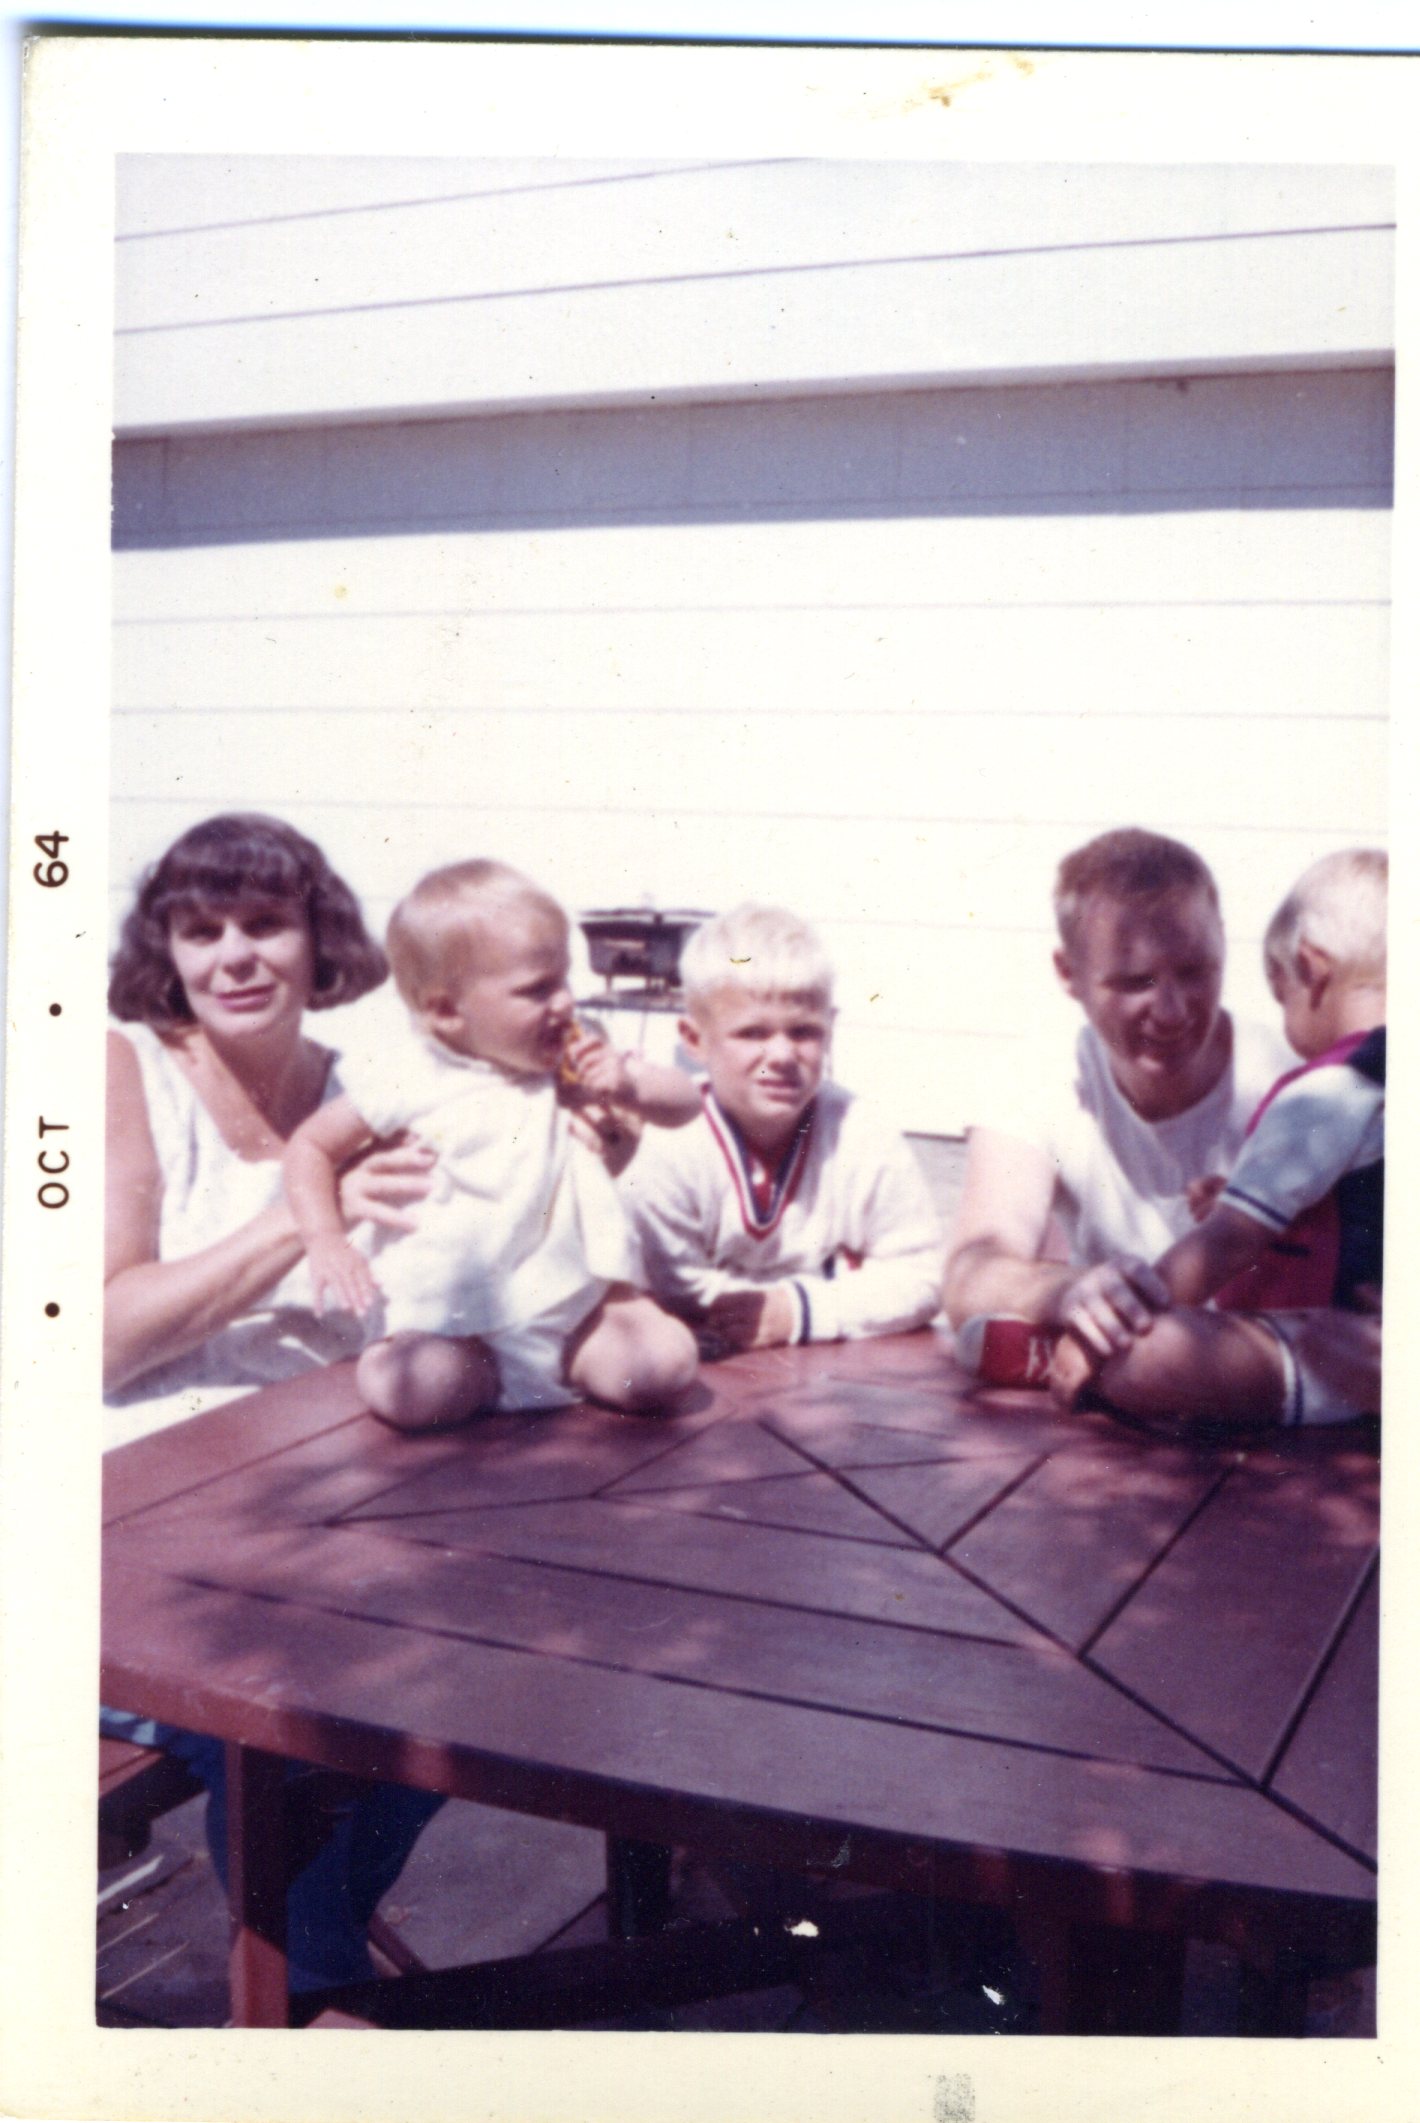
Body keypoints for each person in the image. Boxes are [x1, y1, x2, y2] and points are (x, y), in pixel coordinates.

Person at [103, 812, 444, 1990]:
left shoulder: (359, 1090)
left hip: (325, 1498)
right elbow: (98, 1339)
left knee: (482, 1670)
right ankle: (310, 2002)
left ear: (318, 938)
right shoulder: (123, 1067)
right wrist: (305, 1212)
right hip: (137, 1511)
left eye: (265, 923)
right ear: (167, 952)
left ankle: (302, 1986)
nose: (235, 955)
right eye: (202, 931)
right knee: (298, 1714)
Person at [283, 858, 700, 1430]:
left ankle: (571, 1363)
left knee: (664, 1366)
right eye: (536, 990)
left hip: (576, 1301)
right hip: (455, 1317)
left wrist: (630, 1084)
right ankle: (483, 1377)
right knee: (412, 1388)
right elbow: (309, 1147)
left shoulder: (571, 1059)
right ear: (445, 1011)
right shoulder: (408, 1076)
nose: (565, 1003)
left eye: (564, 980)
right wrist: (324, 1238)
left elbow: (686, 1103)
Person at [1049, 849, 1385, 1429]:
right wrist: (1242, 1191)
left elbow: (1229, 1241)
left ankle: (1065, 1360)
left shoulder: (1327, 1091)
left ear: (1311, 970)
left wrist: (1108, 1329)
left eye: (1279, 991)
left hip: (1344, 1346)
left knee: (1142, 1353)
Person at [943, 827, 1296, 1379]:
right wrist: (1068, 1290)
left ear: (1224, 947)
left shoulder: (1289, 1082)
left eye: (1194, 972)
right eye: (1136, 982)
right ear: (1069, 974)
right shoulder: (1037, 1074)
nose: (1172, 1012)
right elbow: (971, 1272)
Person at [619, 904, 943, 1349]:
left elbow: (924, 1274)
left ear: (830, 1030)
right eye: (753, 1033)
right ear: (695, 1040)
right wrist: (848, 1291)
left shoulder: (860, 1132)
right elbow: (676, 1289)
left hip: (835, 1370)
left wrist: (798, 1312)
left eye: (803, 1032)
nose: (783, 1055)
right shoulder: (667, 1142)